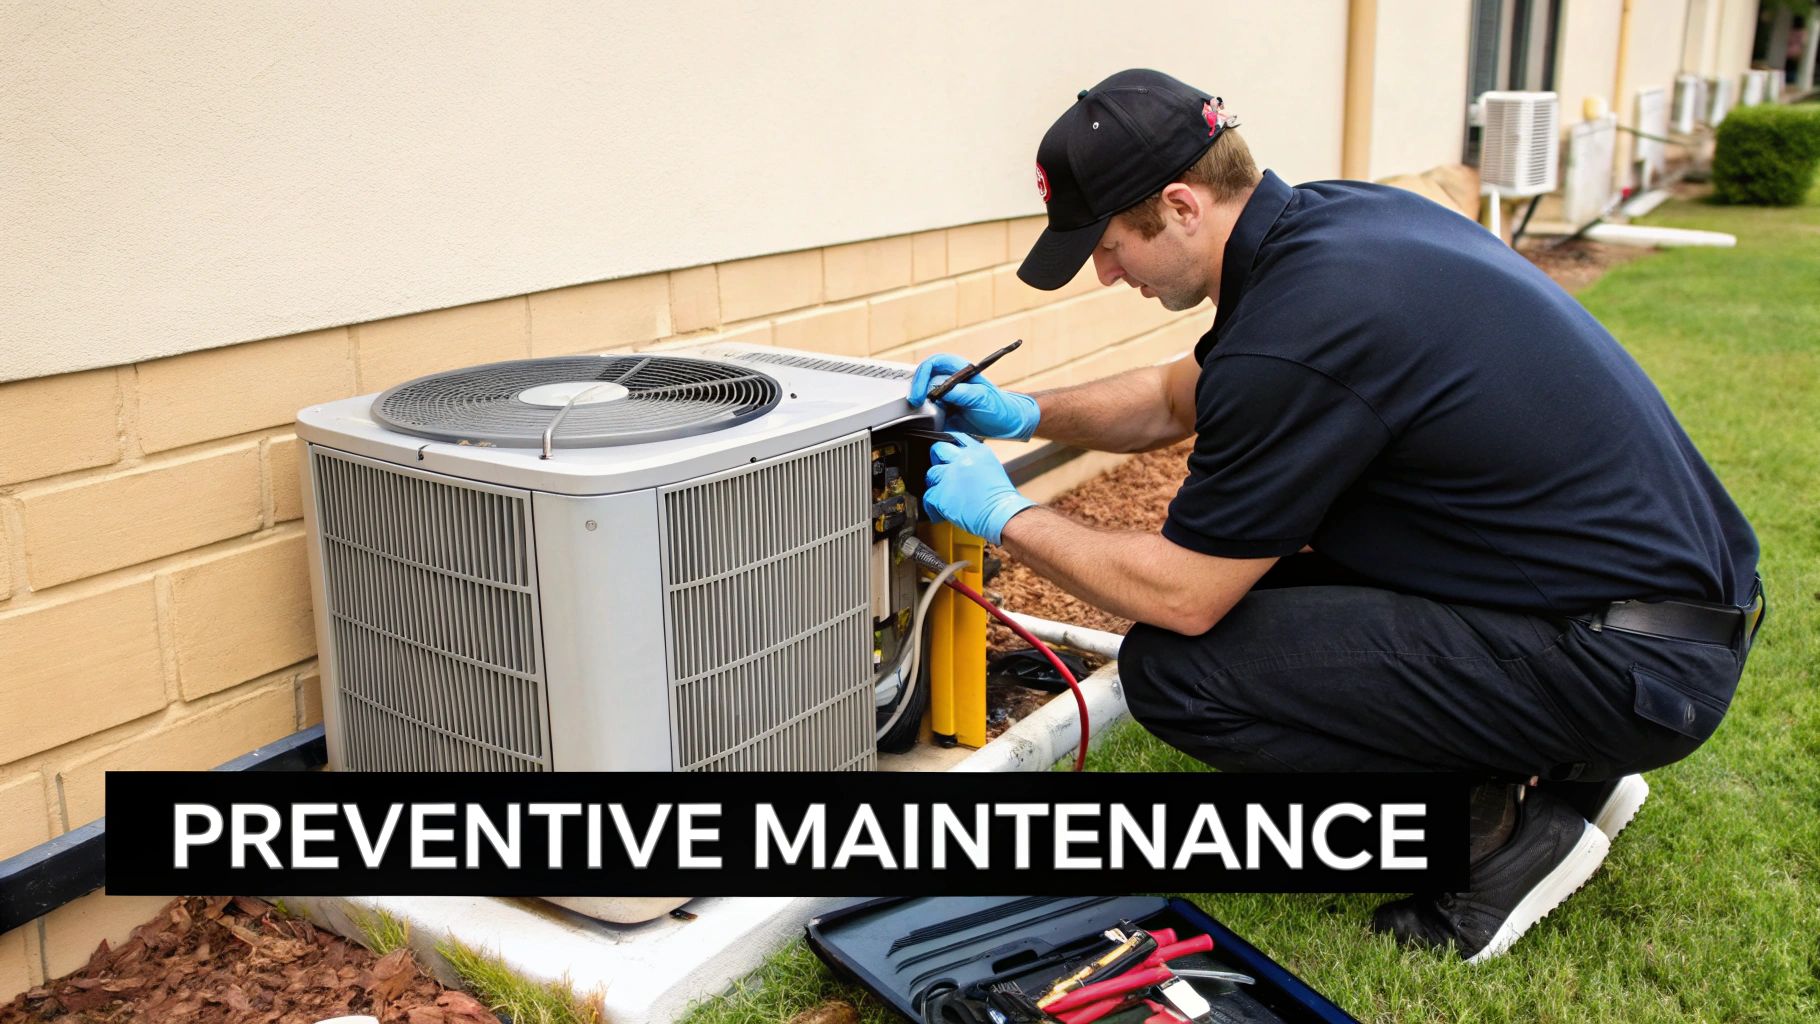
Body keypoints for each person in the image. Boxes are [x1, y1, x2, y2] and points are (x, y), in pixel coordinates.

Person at [909, 68, 1762, 962]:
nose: (1104, 269)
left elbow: (1184, 595)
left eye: (1112, 240)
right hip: (1664, 619)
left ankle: (1493, 842)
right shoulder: (1339, 227)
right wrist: (1025, 412)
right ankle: (1567, 772)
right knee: (1274, 592)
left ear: (1181, 204)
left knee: (1179, 672)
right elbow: (1173, 396)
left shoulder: (1300, 329)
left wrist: (1005, 513)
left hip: (1630, 665)